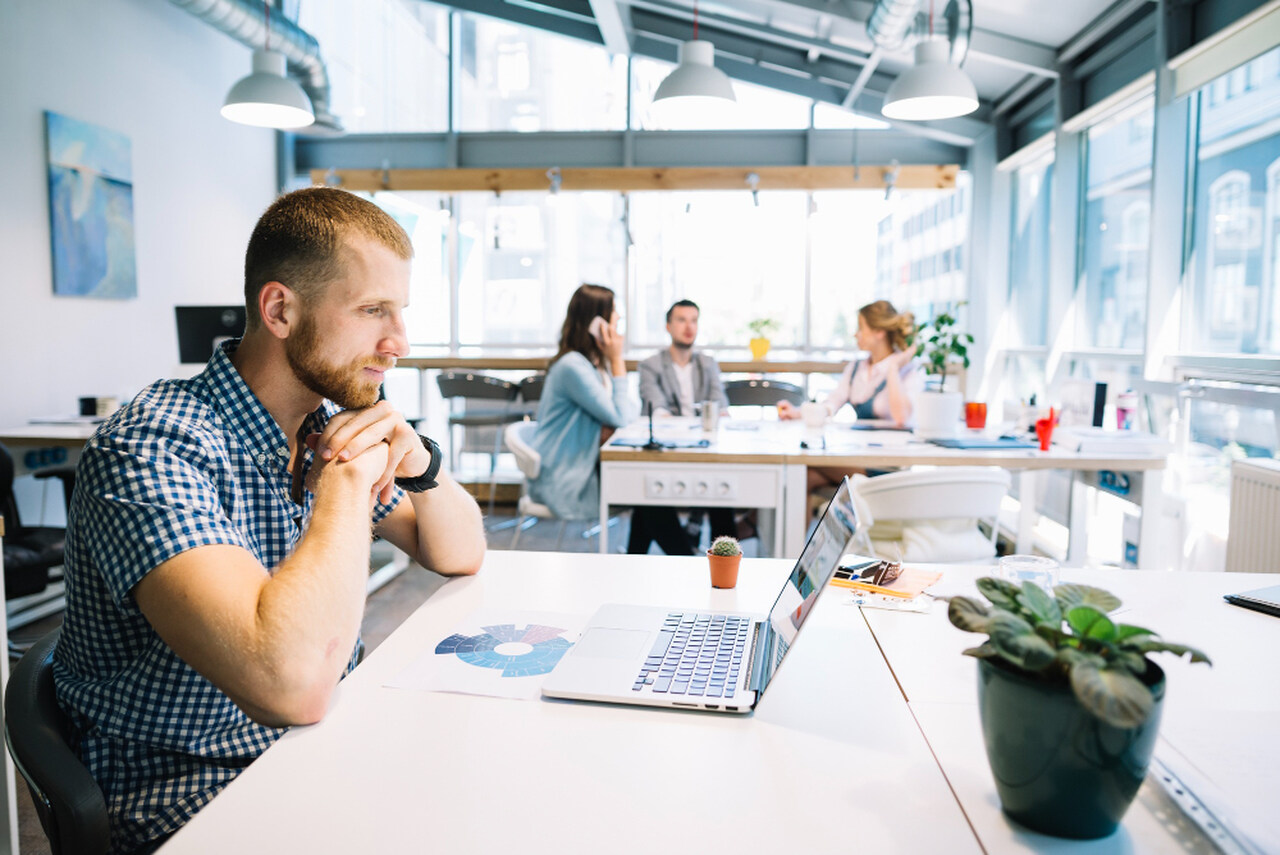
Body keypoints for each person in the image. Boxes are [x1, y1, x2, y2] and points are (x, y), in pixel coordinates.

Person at [52, 187, 487, 854]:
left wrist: (419, 461)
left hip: (319, 752)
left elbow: (460, 550)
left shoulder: (317, 425)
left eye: (399, 312)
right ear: (280, 309)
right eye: (373, 310)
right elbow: (291, 684)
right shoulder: (151, 447)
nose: (398, 342)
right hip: (191, 795)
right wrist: (347, 480)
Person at [779, 299, 923, 490]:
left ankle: (747, 522)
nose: (856, 334)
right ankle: (752, 521)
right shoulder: (856, 368)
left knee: (806, 461)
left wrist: (893, 368)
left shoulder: (910, 371)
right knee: (805, 478)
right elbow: (832, 403)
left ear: (879, 332)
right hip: (860, 457)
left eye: (861, 328)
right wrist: (798, 412)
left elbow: (902, 417)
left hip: (889, 467)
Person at [630, 299, 735, 554]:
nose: (689, 327)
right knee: (647, 499)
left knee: (723, 487)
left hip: (705, 451)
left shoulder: (707, 364)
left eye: (694, 320)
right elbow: (658, 409)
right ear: (668, 326)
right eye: (681, 320)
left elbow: (720, 406)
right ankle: (689, 554)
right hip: (668, 454)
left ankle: (724, 562)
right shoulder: (650, 366)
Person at [528, 284, 637, 520]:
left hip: (585, 466)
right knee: (644, 496)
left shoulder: (593, 364)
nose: (618, 317)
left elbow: (630, 412)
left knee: (646, 496)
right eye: (613, 311)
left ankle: (657, 555)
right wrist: (617, 360)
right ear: (596, 322)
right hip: (564, 477)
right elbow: (620, 417)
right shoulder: (573, 366)